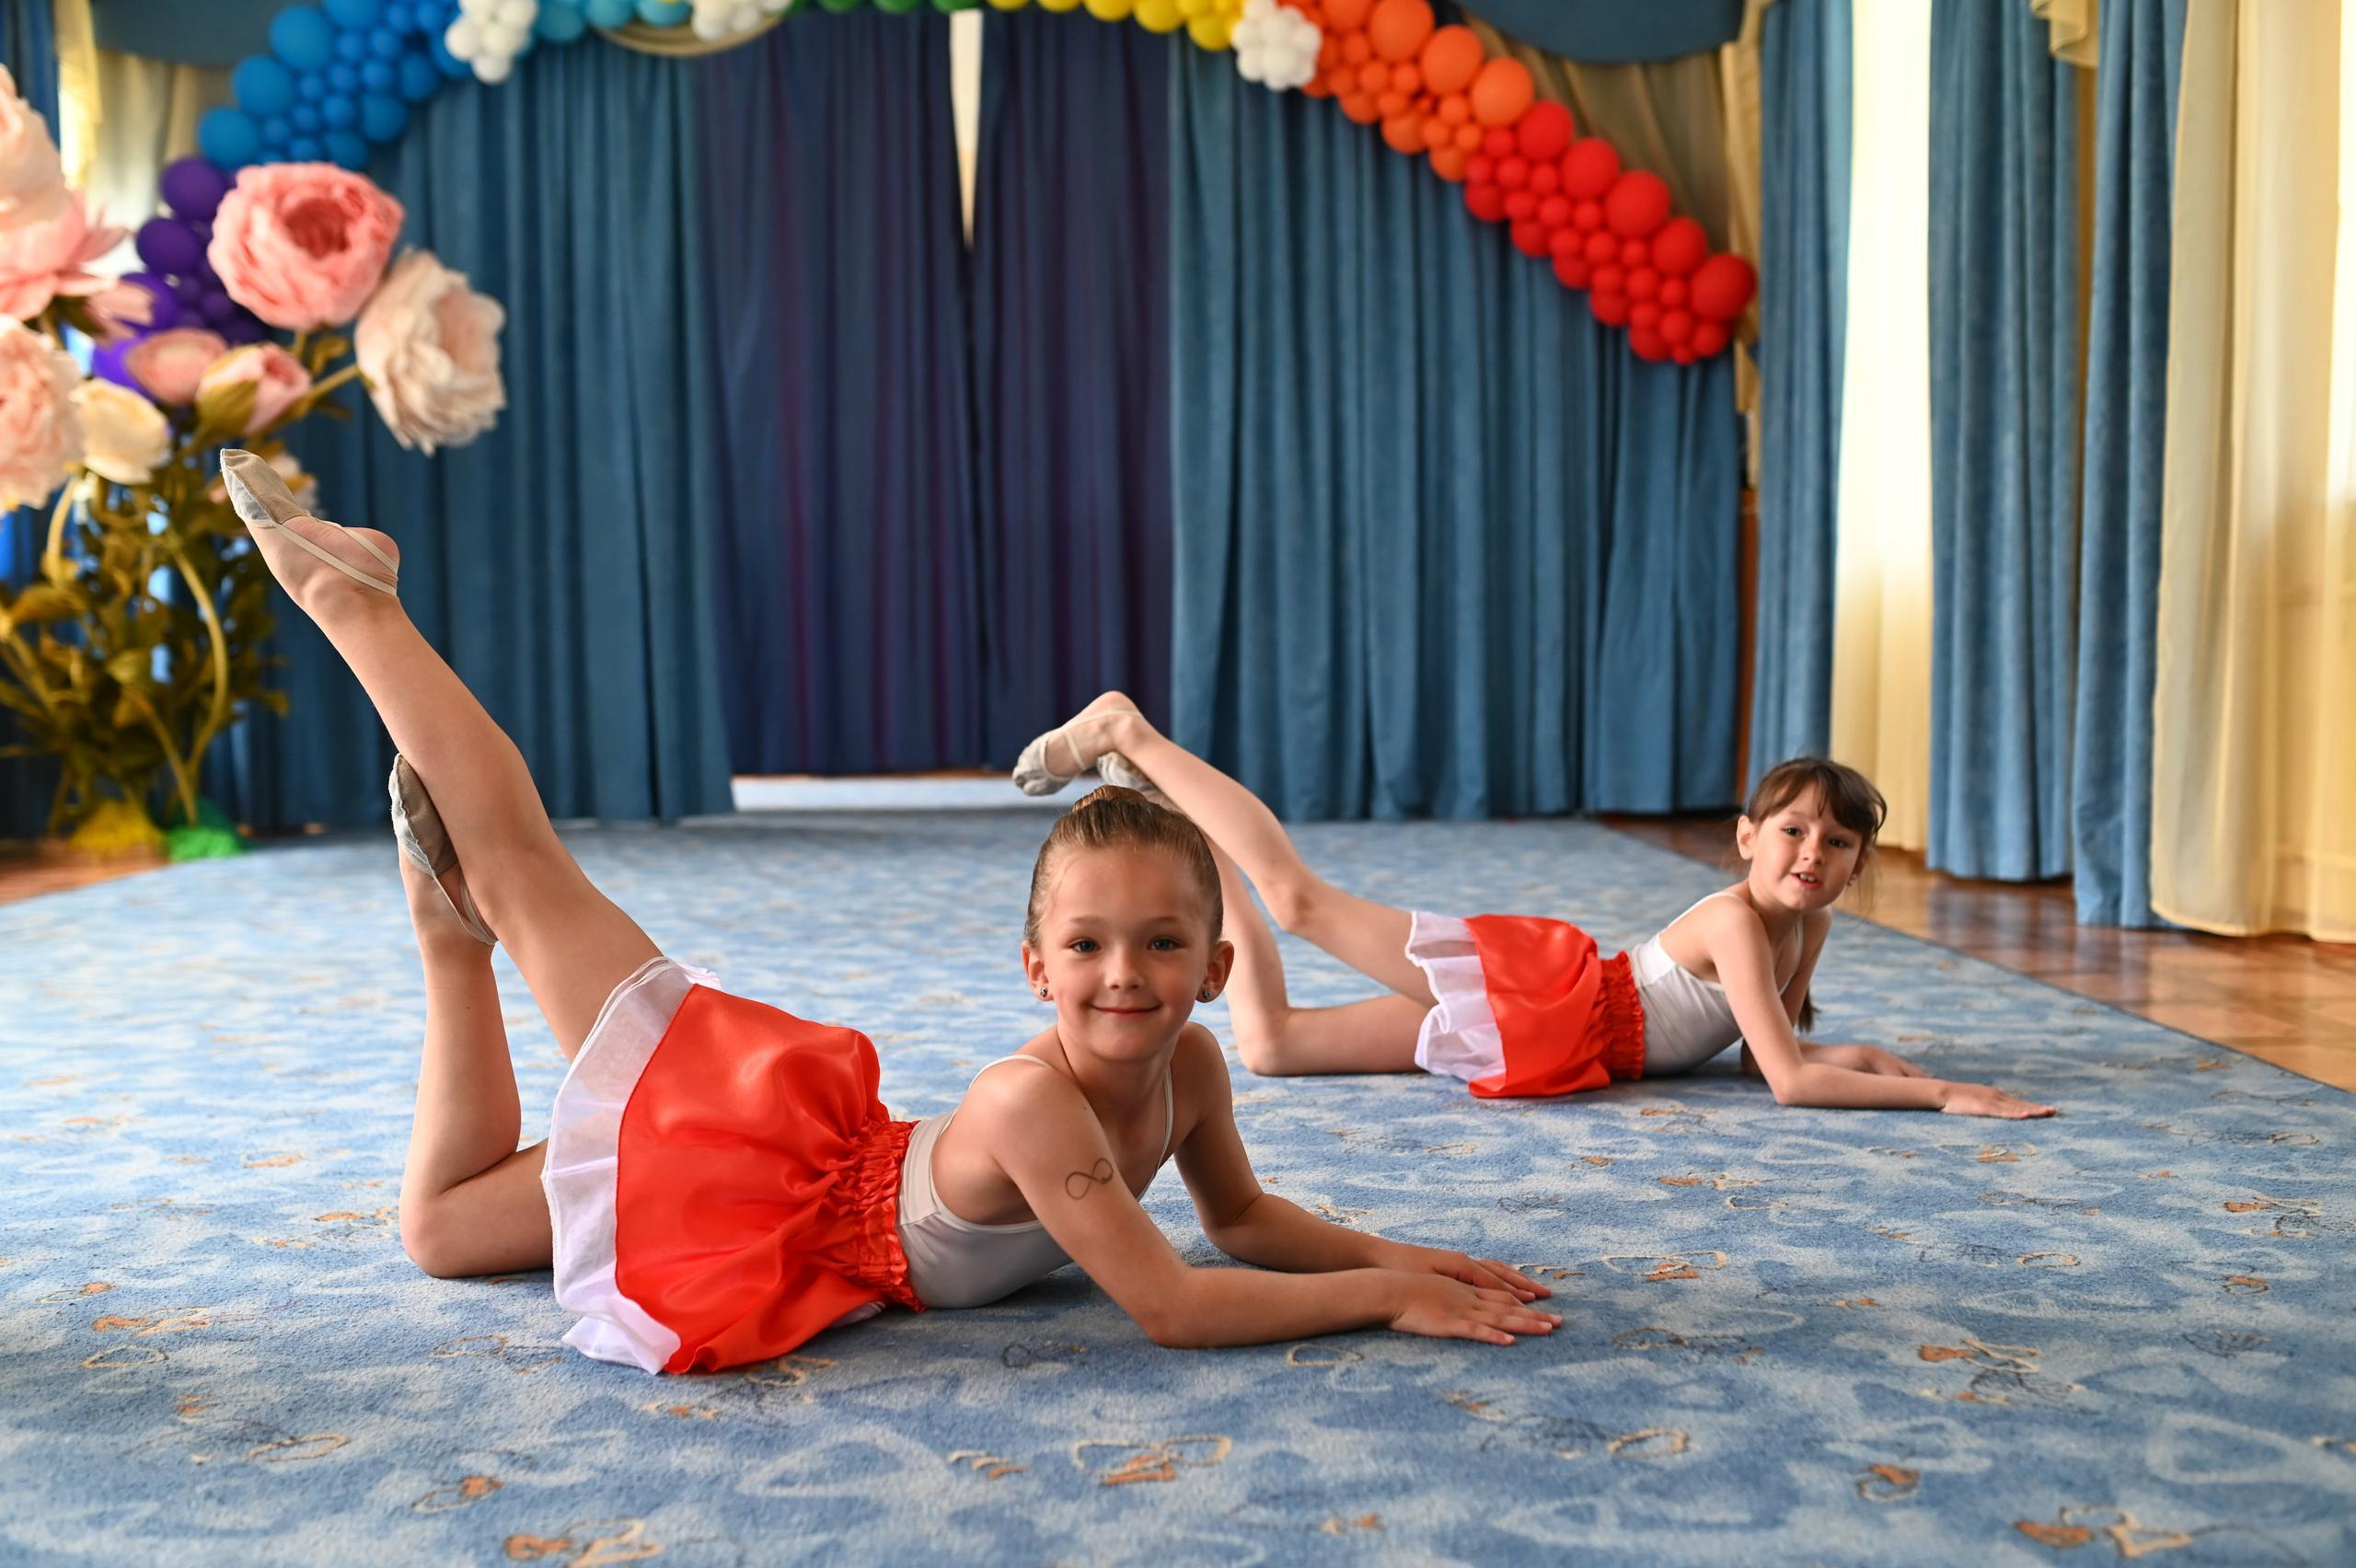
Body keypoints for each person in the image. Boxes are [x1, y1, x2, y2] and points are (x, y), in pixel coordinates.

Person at [218, 450, 1560, 1376]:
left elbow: (1246, 1227)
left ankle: (447, 943)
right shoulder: (1032, 1102)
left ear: (1216, 968)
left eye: (1160, 946)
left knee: (442, 1233)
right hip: (764, 1143)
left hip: (796, 1205)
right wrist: (1385, 1299)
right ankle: (358, 601)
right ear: (1034, 965)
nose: (1122, 978)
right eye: (1086, 947)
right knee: (526, 871)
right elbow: (1169, 1304)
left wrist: (1410, 1252)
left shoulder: (1196, 1061)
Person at [1012, 694, 2055, 1119]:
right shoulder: (1739, 920)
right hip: (1543, 995)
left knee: (1274, 1047)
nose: (1810, 856)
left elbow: (1754, 1053)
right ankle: (1129, 730)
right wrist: (1940, 1096)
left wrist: (1860, 1056)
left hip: (1561, 1038)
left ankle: (1197, 841)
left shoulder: (1806, 924)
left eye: (1835, 844)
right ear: (1746, 839)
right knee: (1299, 902)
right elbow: (1783, 1080)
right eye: (1790, 832)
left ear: (1858, 864)